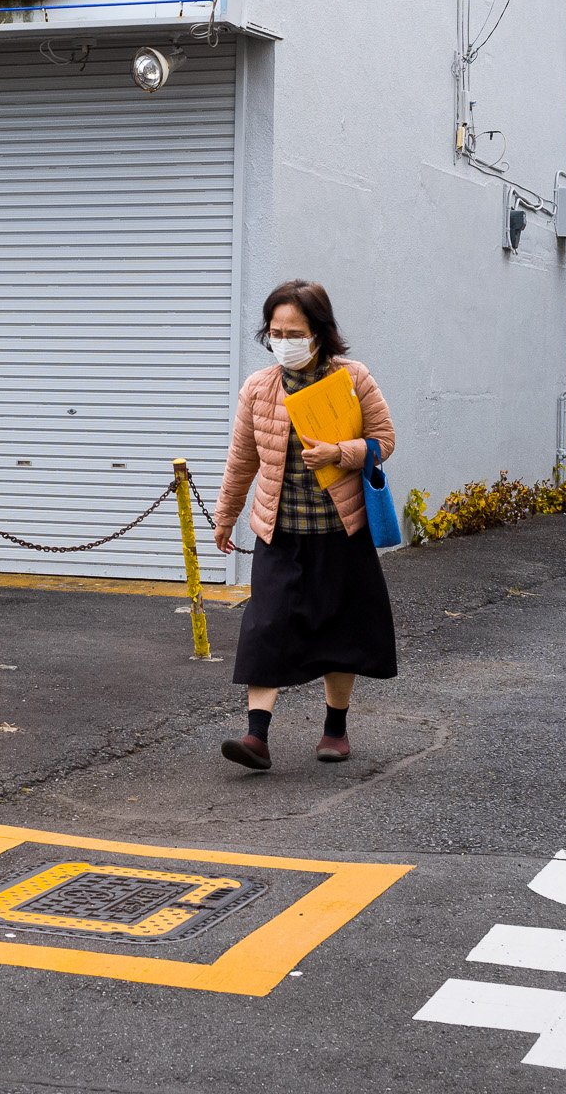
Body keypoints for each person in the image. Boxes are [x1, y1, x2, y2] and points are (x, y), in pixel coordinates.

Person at [213, 279, 397, 770]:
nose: (284, 340)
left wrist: (340, 453)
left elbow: (384, 440)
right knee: (265, 626)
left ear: (319, 333)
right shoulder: (258, 387)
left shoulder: (353, 378)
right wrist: (225, 516)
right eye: (275, 331)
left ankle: (335, 729)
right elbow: (241, 461)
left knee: (342, 631)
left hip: (342, 531)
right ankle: (256, 737)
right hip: (280, 531)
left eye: (294, 331)